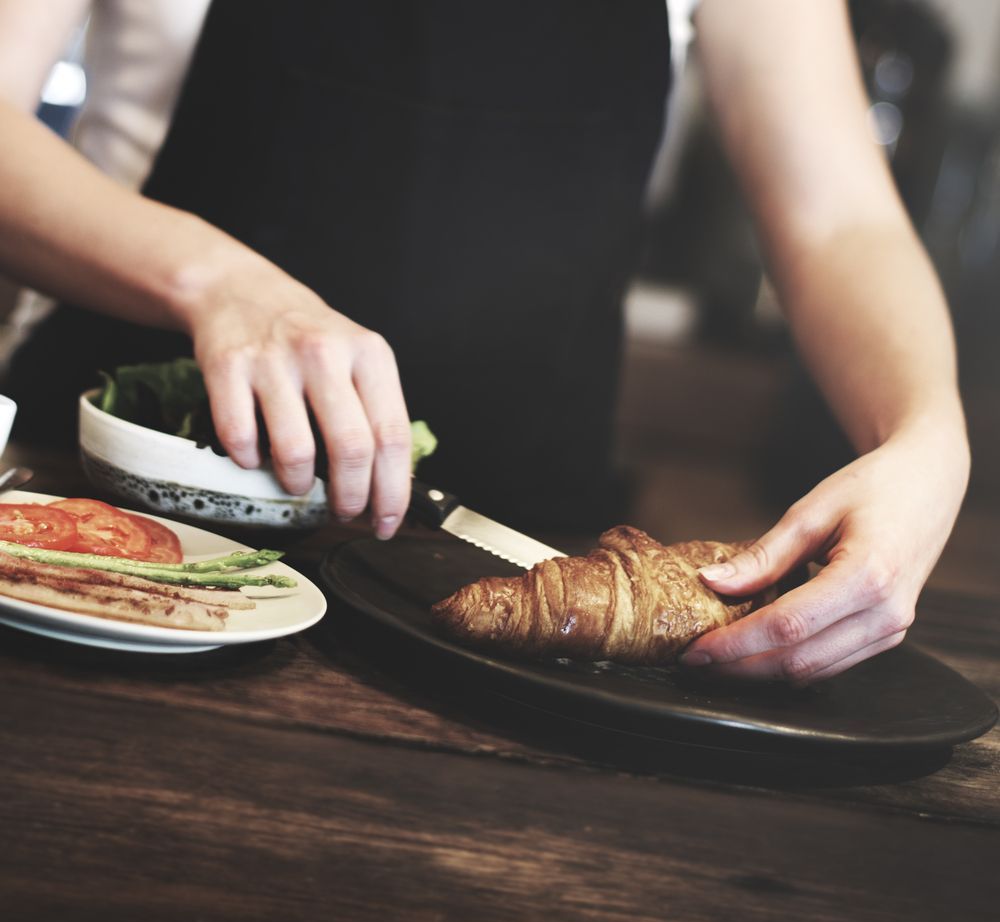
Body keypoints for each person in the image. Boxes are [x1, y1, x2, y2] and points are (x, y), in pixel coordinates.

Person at [0, 0, 970, 685]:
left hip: (512, 597)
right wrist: (216, 280)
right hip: (117, 545)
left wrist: (926, 431)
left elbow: (840, 219)